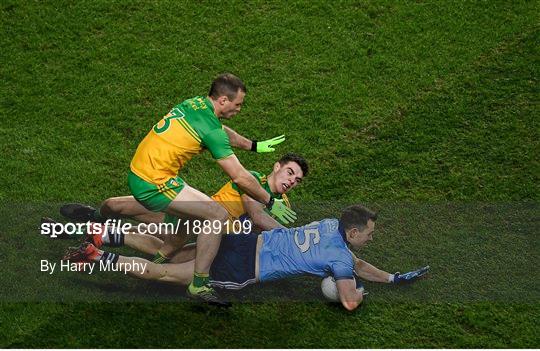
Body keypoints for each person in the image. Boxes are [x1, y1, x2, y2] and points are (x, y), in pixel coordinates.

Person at [84, 73, 296, 305]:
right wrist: (270, 201)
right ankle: (199, 284)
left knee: (190, 219)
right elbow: (240, 176)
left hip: (144, 171)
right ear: (223, 100)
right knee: (216, 215)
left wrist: (252, 145)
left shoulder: (195, 103)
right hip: (154, 183)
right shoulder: (211, 131)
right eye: (238, 104)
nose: (239, 110)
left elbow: (220, 131)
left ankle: (135, 245)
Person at [63, 204, 429, 311]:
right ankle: (97, 255)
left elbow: (356, 263)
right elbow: (349, 300)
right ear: (352, 234)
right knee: (167, 275)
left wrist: (392, 277)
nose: (371, 236)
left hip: (241, 241)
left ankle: (101, 233)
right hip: (241, 268)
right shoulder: (341, 263)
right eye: (369, 232)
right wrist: (359, 294)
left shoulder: (330, 224)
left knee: (171, 247)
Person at [71, 154, 309, 261]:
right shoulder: (253, 180)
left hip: (206, 236)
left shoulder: (283, 204)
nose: (291, 181)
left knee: (161, 249)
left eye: (297, 180)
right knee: (117, 206)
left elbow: (259, 231)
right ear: (277, 166)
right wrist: (297, 238)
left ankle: (94, 235)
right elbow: (257, 216)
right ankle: (93, 217)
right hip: (191, 216)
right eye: (290, 172)